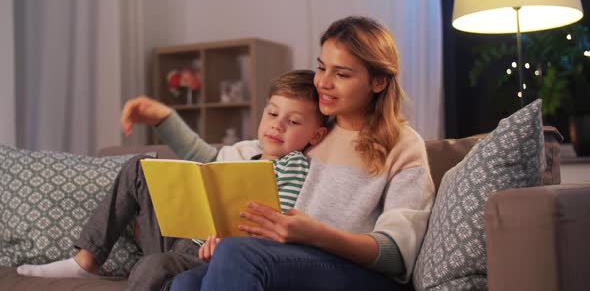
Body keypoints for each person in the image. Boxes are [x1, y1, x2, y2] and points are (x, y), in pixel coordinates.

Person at [169, 16, 435, 291]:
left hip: (362, 276)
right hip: (294, 261)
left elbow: (397, 254)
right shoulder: (308, 130)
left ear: (378, 82)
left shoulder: (403, 144)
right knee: (187, 281)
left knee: (238, 254)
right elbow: (233, 162)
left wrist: (317, 235)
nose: (323, 83)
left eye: (341, 74)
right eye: (321, 68)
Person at [16, 70, 328, 290]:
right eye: (272, 114)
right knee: (139, 166)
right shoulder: (245, 150)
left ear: (316, 134)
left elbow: (276, 226)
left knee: (155, 267)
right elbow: (201, 156)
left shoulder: (294, 166)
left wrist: (229, 246)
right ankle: (86, 261)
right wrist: (163, 118)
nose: (278, 126)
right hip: (183, 238)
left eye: (294, 121)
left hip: (215, 256)